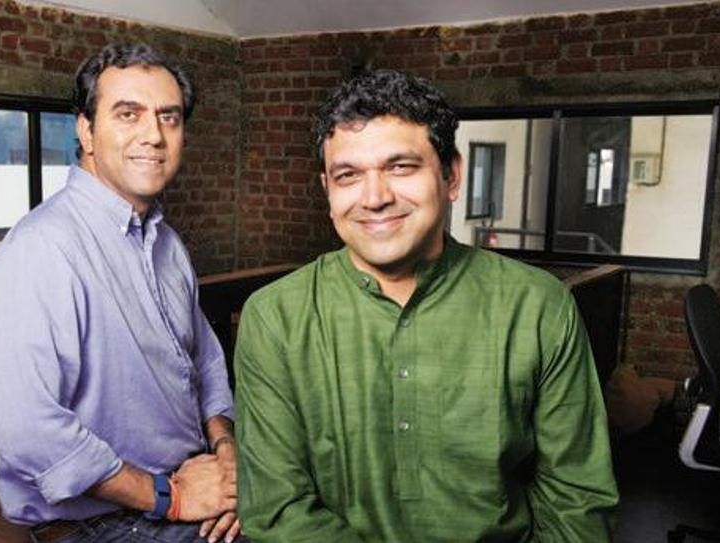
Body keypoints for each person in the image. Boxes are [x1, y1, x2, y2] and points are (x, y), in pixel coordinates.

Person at [233, 70, 619, 542]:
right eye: (348, 175)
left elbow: (578, 502)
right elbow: (277, 508)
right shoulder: (275, 316)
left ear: (451, 175)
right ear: (327, 189)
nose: (375, 198)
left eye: (400, 167)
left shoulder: (537, 306)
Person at [0, 44, 243, 543]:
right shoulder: (41, 249)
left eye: (169, 117)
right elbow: (30, 432)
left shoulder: (166, 243)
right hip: (102, 522)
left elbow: (205, 364)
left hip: (186, 488)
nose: (154, 135)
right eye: (128, 114)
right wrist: (171, 496)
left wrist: (225, 453)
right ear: (86, 131)